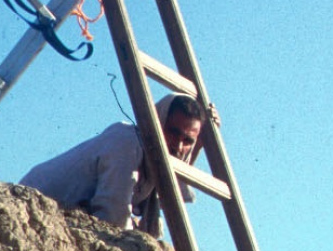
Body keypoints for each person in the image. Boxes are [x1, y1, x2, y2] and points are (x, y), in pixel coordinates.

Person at [19, 94, 204, 232]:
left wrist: (202, 144)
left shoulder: (155, 166)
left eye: (188, 141)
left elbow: (171, 195)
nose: (178, 146)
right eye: (173, 132)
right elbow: (113, 213)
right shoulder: (127, 142)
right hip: (30, 207)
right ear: (157, 122)